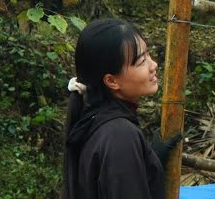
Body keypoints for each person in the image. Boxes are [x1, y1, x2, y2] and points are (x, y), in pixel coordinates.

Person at [62, 18, 180, 199]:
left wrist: (150, 161)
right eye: (141, 62)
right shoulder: (120, 135)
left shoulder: (95, 122)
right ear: (111, 81)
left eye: (148, 54)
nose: (153, 65)